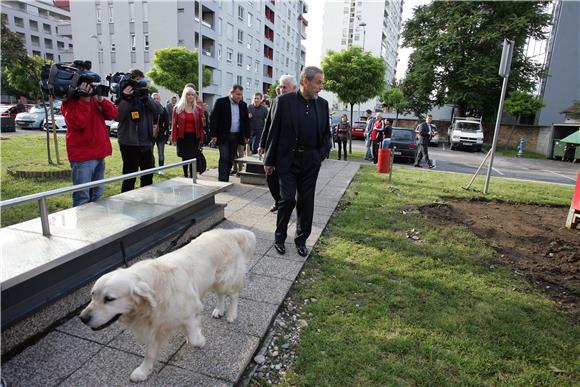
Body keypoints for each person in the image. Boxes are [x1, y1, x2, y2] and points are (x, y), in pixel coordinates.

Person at [263, 66, 331, 257]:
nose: (321, 87)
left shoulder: (323, 105)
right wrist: (269, 160)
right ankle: (279, 237)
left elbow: (326, 134)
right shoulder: (284, 101)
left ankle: (301, 240)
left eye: (322, 83)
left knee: (306, 202)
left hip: (311, 161)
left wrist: (321, 154)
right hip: (287, 159)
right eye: (318, 82)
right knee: (287, 199)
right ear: (305, 82)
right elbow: (273, 130)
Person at [61, 82, 117, 206]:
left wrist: (101, 99)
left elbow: (113, 113)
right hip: (83, 157)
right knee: (82, 196)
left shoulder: (94, 100)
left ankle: (95, 222)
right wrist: (84, 100)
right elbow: (77, 122)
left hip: (98, 154)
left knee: (97, 193)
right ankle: (83, 224)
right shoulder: (69, 102)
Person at [117, 68, 163, 192]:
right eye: (137, 81)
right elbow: (118, 116)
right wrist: (126, 98)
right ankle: (127, 203)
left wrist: (146, 98)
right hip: (129, 143)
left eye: (141, 82)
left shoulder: (146, 96)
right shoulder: (123, 98)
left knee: (148, 176)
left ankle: (146, 201)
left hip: (146, 143)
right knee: (129, 177)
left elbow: (159, 110)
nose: (139, 85)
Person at [259, 74, 297, 212]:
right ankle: (278, 200)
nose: (281, 89)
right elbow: (269, 125)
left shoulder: (297, 103)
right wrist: (262, 144)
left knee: (285, 181)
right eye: (280, 86)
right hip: (273, 146)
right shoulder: (276, 101)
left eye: (285, 87)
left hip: (288, 150)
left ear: (294, 88)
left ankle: (285, 202)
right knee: (270, 177)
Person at [209, 84, 250, 182]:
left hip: (236, 136)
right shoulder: (221, 102)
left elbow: (246, 121)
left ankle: (226, 176)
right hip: (223, 136)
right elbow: (214, 119)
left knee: (231, 158)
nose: (239, 96)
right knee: (224, 157)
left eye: (241, 95)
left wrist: (246, 136)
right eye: (237, 94)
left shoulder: (243, 105)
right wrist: (214, 135)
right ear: (231, 93)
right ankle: (222, 180)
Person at [171, 86, 205, 177]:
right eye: (188, 95)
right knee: (185, 157)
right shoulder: (177, 108)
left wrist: (201, 138)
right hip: (183, 136)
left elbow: (201, 126)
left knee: (193, 156)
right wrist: (173, 138)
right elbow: (174, 125)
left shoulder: (198, 109)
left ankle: (192, 174)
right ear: (184, 95)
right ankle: (185, 173)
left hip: (194, 136)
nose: (190, 97)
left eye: (192, 95)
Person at [151, 93, 170, 175]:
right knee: (149, 152)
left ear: (160, 100)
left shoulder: (163, 109)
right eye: (154, 98)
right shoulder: (149, 109)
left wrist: (162, 130)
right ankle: (151, 167)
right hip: (150, 135)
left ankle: (161, 168)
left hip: (160, 135)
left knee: (161, 153)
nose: (156, 100)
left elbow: (167, 122)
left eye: (157, 98)